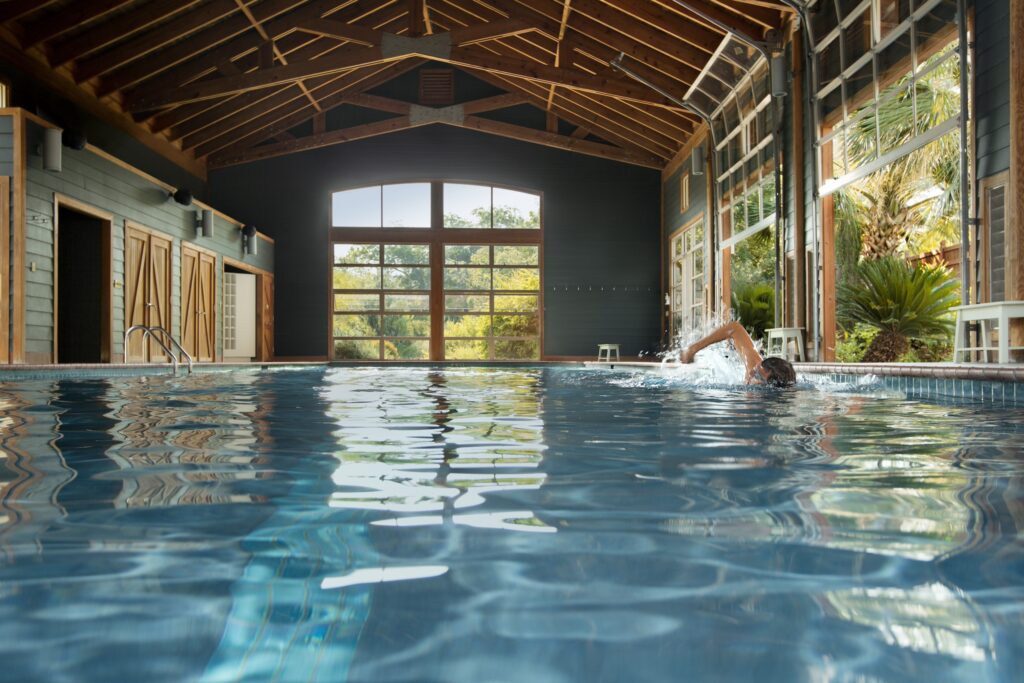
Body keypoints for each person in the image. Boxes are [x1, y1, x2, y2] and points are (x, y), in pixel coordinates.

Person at [679, 321, 796, 387]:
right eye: (756, 368)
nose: (750, 372)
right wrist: (693, 349)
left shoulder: (757, 400)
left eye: (757, 376)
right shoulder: (755, 365)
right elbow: (735, 328)